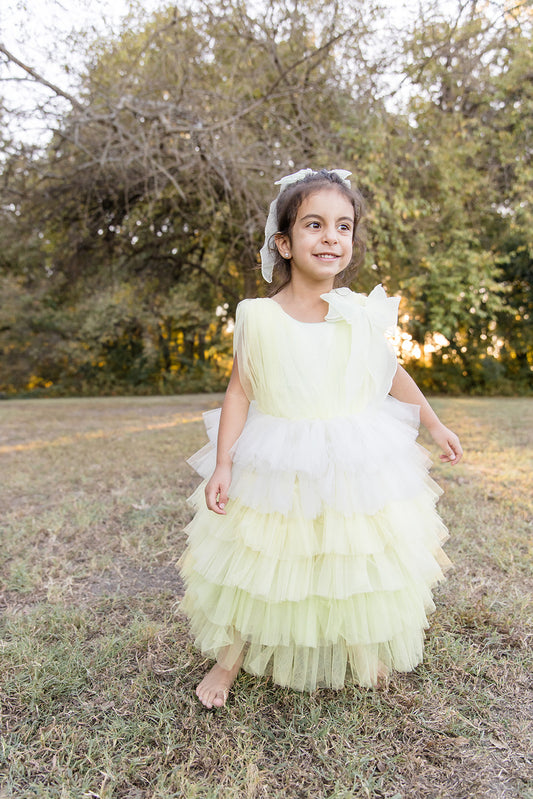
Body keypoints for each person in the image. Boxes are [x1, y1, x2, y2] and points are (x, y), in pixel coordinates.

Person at [179, 168, 463, 709]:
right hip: (279, 453)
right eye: (314, 224)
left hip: (351, 453)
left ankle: (360, 642)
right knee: (263, 557)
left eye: (343, 226)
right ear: (284, 243)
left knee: (351, 550)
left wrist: (434, 422)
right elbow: (240, 391)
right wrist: (223, 463)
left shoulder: (357, 311)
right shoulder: (259, 316)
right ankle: (229, 658)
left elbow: (390, 372)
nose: (331, 237)